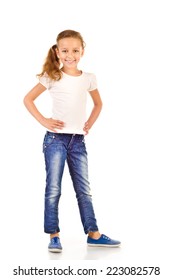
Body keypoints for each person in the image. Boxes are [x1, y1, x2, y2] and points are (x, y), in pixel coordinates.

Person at [23, 29, 121, 252]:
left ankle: (93, 233)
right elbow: (27, 99)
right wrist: (44, 121)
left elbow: (98, 104)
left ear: (82, 52)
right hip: (55, 140)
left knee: (83, 189)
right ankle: (54, 236)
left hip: (78, 141)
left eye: (75, 50)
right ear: (57, 52)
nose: (70, 55)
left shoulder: (88, 78)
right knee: (54, 189)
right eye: (65, 50)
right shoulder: (52, 76)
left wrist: (89, 124)